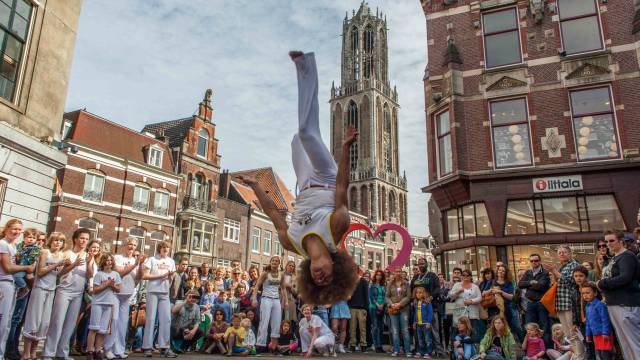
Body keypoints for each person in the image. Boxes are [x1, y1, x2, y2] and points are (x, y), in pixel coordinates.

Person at [237, 51, 359, 305]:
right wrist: (346, 149)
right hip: (327, 176)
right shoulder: (337, 227)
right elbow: (341, 187)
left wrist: (257, 186)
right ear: (335, 267)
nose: (320, 277)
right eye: (327, 278)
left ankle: (305, 79)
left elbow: (273, 215)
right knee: (306, 133)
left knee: (296, 139)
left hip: (304, 183)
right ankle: (305, 66)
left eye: (317, 282)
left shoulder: (292, 244)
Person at [42, 228, 91, 360]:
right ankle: (48, 352)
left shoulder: (87, 256)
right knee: (57, 322)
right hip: (64, 290)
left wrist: (90, 262)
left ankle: (62, 352)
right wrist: (74, 264)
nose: (84, 241)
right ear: (75, 239)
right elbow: (60, 273)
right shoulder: (66, 253)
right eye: (82, 238)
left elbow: (90, 275)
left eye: (86, 239)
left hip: (78, 293)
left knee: (70, 324)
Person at [21, 232, 68, 360]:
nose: (58, 243)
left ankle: (33, 352)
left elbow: (58, 274)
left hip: (51, 289)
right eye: (56, 240)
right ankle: (26, 353)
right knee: (33, 319)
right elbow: (40, 272)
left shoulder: (61, 255)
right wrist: (56, 264)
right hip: (40, 288)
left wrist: (70, 266)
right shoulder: (44, 252)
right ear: (51, 241)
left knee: (44, 321)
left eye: (61, 241)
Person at [596, 229, 640, 360]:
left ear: (621, 241)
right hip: (614, 303)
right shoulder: (614, 258)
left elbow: (624, 278)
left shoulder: (627, 256)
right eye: (606, 241)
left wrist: (602, 283)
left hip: (625, 303)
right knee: (626, 343)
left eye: (611, 241)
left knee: (634, 342)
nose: (608, 244)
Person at [0, 220, 35, 359]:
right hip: (3, 283)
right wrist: (26, 268)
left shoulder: (12, 246)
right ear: (7, 228)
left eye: (19, 230)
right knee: (2, 321)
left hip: (11, 284)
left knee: (7, 323)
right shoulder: (2, 244)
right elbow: (8, 268)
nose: (17, 232)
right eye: (14, 229)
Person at [105, 237, 144, 359]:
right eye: (129, 244)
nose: (131, 247)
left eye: (133, 245)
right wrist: (135, 265)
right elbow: (119, 273)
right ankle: (108, 348)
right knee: (114, 321)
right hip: (116, 294)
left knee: (123, 323)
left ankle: (119, 349)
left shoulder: (135, 260)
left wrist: (140, 265)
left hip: (128, 295)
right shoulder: (117, 258)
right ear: (124, 245)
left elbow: (138, 278)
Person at [543, 246, 584, 359]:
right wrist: (554, 273)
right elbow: (558, 284)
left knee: (574, 333)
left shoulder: (574, 265)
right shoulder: (561, 267)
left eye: (564, 252)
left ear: (570, 253)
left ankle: (580, 356)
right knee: (568, 335)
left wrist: (554, 271)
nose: (561, 254)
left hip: (570, 303)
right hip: (561, 303)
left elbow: (570, 282)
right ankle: (576, 354)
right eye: (559, 252)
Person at [141, 241, 177, 358]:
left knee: (166, 319)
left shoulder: (171, 261)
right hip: (153, 291)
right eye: (163, 247)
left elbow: (171, 279)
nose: (166, 249)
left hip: (165, 292)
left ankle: (164, 347)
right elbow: (145, 275)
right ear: (159, 249)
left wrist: (171, 276)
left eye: (167, 247)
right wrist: (160, 276)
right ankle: (147, 347)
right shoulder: (152, 259)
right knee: (151, 319)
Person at [86, 254, 122, 360]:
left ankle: (98, 350)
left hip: (109, 304)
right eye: (107, 260)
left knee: (103, 330)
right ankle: (89, 351)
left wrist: (112, 285)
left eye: (111, 260)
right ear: (103, 262)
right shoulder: (99, 274)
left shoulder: (116, 274)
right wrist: (106, 284)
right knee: (94, 328)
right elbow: (95, 290)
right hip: (98, 303)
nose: (109, 262)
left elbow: (119, 289)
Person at [252, 256, 286, 353]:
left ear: (279, 263)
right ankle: (260, 346)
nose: (275, 262)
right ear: (270, 262)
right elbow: (257, 286)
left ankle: (274, 347)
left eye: (277, 261)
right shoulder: (265, 273)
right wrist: (254, 299)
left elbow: (283, 288)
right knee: (264, 322)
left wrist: (285, 301)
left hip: (276, 300)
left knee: (276, 323)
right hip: (266, 299)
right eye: (273, 260)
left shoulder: (281, 274)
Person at [411, 259, 443, 357]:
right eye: (419, 264)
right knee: (419, 333)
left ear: (427, 264)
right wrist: (413, 300)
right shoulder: (415, 277)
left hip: (431, 307)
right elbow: (411, 290)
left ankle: (439, 351)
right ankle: (420, 350)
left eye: (422, 263)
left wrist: (431, 297)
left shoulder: (432, 275)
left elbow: (438, 288)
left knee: (434, 330)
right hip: (418, 308)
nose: (421, 265)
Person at [517, 253, 551, 347]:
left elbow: (542, 286)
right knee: (529, 327)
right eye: (531, 261)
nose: (533, 262)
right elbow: (520, 284)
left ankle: (546, 350)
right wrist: (531, 282)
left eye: (536, 260)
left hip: (541, 303)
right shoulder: (528, 272)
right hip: (531, 303)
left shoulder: (545, 272)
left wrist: (528, 285)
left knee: (544, 327)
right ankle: (530, 350)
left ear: (539, 261)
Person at [449, 269, 482, 344]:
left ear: (470, 277)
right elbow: (451, 296)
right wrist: (458, 291)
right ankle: (455, 351)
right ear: (461, 276)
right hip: (459, 314)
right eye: (463, 275)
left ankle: (474, 351)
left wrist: (471, 301)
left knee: (474, 334)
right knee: (457, 333)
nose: (465, 277)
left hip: (472, 314)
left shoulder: (475, 287)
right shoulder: (457, 285)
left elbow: (480, 298)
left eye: (467, 275)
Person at [581, 283, 612, 360]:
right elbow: (588, 322)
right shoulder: (587, 306)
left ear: (595, 293)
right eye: (583, 293)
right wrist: (588, 334)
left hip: (604, 334)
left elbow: (605, 319)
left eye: (587, 293)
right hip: (595, 335)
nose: (585, 295)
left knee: (605, 354)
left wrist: (605, 333)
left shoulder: (600, 305)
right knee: (599, 354)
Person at [386, 268, 412, 357]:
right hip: (393, 310)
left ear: (401, 273)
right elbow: (387, 297)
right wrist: (391, 304)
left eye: (399, 271)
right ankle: (396, 350)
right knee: (395, 331)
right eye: (396, 271)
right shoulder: (390, 284)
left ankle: (407, 350)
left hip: (403, 309)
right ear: (394, 273)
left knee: (405, 330)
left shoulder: (406, 283)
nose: (398, 273)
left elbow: (409, 297)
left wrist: (400, 304)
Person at [347, 269, 369, 352]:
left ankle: (363, 345)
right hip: (352, 308)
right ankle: (352, 345)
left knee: (362, 328)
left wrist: (366, 309)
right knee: (352, 328)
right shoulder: (350, 282)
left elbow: (366, 295)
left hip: (361, 308)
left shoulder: (363, 281)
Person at [413, 287, 433, 358]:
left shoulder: (427, 302)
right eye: (417, 292)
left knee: (427, 339)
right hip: (418, 324)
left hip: (425, 324)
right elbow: (415, 313)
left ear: (424, 293)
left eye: (420, 292)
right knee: (420, 339)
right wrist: (414, 322)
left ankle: (429, 352)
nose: (418, 294)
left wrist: (428, 322)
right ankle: (422, 352)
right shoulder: (416, 302)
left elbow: (430, 313)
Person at [369, 269, 386, 353]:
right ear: (375, 276)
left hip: (382, 307)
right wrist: (378, 305)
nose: (378, 276)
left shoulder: (383, 286)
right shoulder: (372, 285)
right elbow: (371, 298)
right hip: (374, 307)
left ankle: (380, 346)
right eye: (377, 275)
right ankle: (376, 346)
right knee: (375, 327)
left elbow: (385, 296)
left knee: (381, 327)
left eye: (380, 275)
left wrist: (382, 304)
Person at [283, 260, 298, 325]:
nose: (291, 267)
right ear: (286, 266)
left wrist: (289, 287)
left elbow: (296, 292)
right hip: (280, 299)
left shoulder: (295, 278)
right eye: (290, 265)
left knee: (289, 321)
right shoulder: (281, 275)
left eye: (293, 266)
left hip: (290, 300)